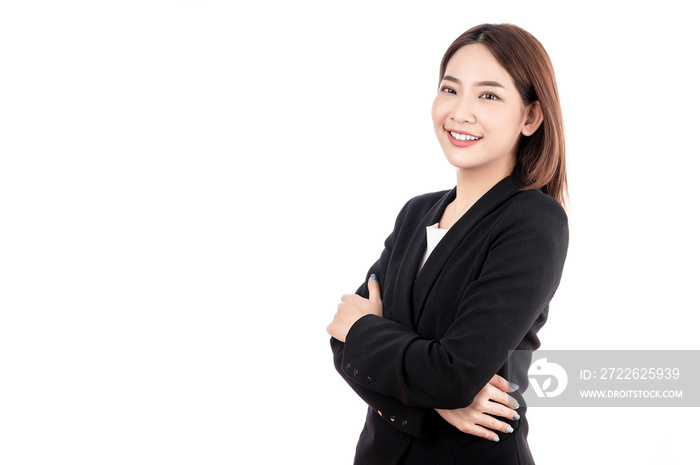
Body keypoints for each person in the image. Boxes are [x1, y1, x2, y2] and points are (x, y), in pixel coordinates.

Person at [328, 23, 569, 464]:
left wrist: (367, 333)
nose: (461, 111)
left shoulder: (533, 220)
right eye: (450, 89)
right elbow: (340, 344)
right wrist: (439, 399)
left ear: (531, 117)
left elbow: (451, 371)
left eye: (489, 95)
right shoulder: (416, 213)